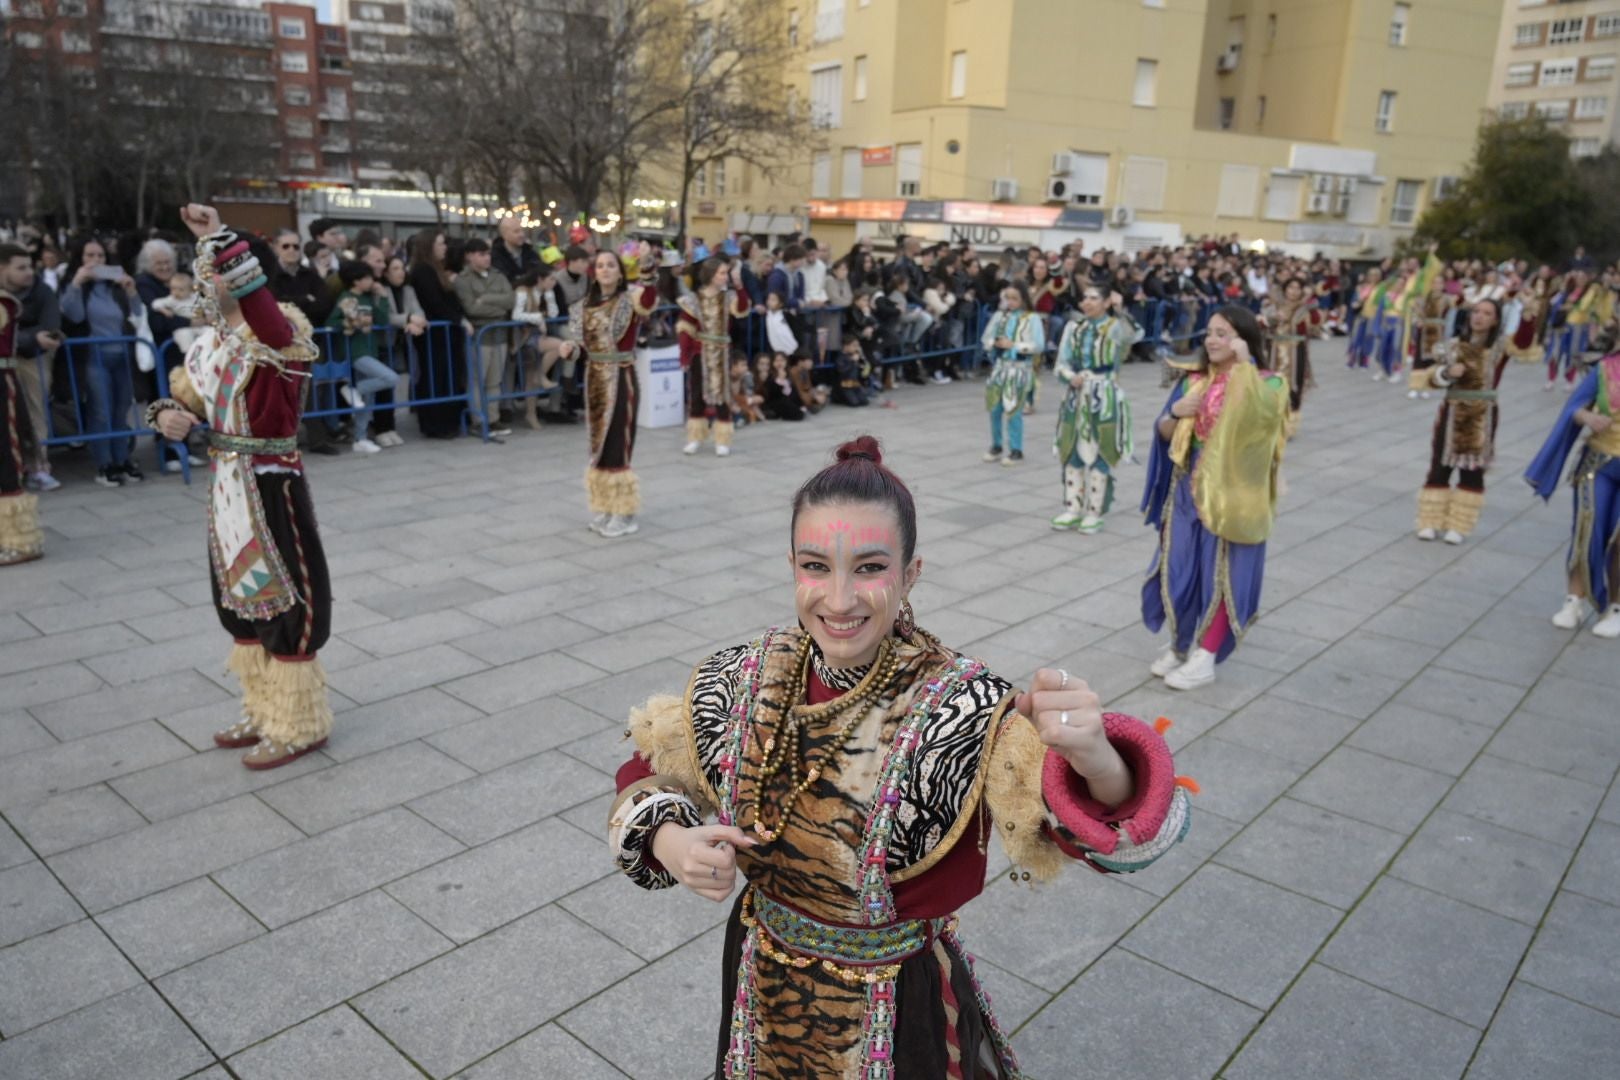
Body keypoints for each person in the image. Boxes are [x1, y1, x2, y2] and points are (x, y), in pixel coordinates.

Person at [607, 435, 1189, 1079]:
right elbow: (648, 765)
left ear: (911, 573)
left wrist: (1096, 757)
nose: (838, 598)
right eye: (815, 566)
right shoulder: (743, 674)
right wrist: (670, 841)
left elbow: (1100, 833)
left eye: (869, 567)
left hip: (898, 1008)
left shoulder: (963, 707)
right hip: (756, 985)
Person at [146, 205, 333, 770]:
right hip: (226, 487)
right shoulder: (208, 345)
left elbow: (270, 327)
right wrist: (164, 418)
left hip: (272, 482)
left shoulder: (283, 329)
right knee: (239, 599)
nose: (207, 280)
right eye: (204, 270)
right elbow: (180, 403)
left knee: (288, 597)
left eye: (218, 269)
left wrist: (220, 237)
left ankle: (299, 722)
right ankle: (261, 704)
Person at [1142, 306, 1288, 690]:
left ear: (1242, 338)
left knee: (1221, 576)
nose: (1211, 340)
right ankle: (1181, 644)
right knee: (1179, 571)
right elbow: (1163, 432)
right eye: (1209, 332)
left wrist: (1244, 366)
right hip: (1187, 493)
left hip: (1232, 498)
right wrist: (1175, 411)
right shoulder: (1194, 381)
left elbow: (1260, 422)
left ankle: (1205, 656)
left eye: (1223, 333)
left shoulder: (1269, 384)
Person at [559, 251, 657, 538]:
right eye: (599, 265)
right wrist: (569, 349)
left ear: (620, 271)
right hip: (594, 380)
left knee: (617, 444)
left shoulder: (631, 301)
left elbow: (650, 298)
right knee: (598, 447)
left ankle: (625, 513)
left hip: (621, 377)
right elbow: (581, 346)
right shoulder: (582, 307)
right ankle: (605, 505)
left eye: (610, 265)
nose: (604, 270)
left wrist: (648, 265)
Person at [1526, 350, 1620, 637]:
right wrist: (1588, 417)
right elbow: (1574, 407)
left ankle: (1615, 607)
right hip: (1599, 463)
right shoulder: (1605, 369)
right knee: (1586, 528)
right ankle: (1573, 601)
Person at [1415, 299, 1507, 545]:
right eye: (1476, 311)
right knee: (1439, 465)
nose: (1479, 317)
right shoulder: (1451, 347)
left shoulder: (1499, 348)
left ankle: (1459, 525)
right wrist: (1446, 373)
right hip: (1452, 411)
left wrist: (1529, 316)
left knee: (1473, 471)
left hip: (1482, 414)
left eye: (1487, 313)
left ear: (1495, 320)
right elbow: (1431, 379)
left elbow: (1526, 342)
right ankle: (1430, 521)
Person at [60, 237, 149, 487]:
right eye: (90, 256)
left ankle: (122, 459)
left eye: (100, 256)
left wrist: (131, 291)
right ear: (80, 258)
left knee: (121, 409)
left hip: (123, 355)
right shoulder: (75, 285)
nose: (96, 261)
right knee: (101, 410)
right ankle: (104, 464)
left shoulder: (116, 286)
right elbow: (73, 314)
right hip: (93, 356)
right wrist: (77, 283)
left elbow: (138, 315)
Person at [1052, 286, 1138, 532]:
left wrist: (1121, 311)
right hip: (1076, 396)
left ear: (1106, 301)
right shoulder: (1073, 328)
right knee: (1071, 447)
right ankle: (1072, 507)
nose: (1087, 302)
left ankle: (1094, 511)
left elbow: (1134, 335)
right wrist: (1070, 376)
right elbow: (1061, 362)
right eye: (1084, 297)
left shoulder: (1115, 327)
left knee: (1102, 448)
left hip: (1105, 395)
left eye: (1094, 298)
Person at [678, 257, 750, 457]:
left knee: (723, 395)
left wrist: (739, 285)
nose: (725, 276)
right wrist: (684, 355)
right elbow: (685, 329)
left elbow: (743, 309)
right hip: (699, 352)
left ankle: (722, 438)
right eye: (722, 273)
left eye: (726, 273)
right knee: (696, 393)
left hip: (722, 351)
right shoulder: (694, 299)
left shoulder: (728, 298)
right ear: (710, 275)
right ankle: (695, 437)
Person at [4, 245, 62, 492]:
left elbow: (51, 328)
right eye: (21, 267)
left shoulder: (42, 291)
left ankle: (38, 467)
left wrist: (31, 341)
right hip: (7, 359)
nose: (29, 272)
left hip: (30, 360)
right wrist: (31, 337)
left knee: (33, 413)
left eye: (30, 266)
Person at [1, 246, 45, 565]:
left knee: (6, 456)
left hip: (2, 384)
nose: (28, 273)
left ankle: (19, 540)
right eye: (21, 267)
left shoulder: (6, 303)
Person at [324, 261, 397, 454]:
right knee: (390, 377)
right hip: (355, 351)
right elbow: (332, 321)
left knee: (367, 399)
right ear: (356, 281)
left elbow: (382, 319)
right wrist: (352, 322)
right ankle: (352, 389)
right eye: (367, 278)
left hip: (370, 348)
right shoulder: (346, 298)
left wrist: (382, 298)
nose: (372, 281)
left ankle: (360, 437)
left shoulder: (367, 298)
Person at [406, 230, 470, 440]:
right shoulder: (423, 271)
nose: (445, 248)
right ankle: (436, 422)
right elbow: (435, 302)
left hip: (445, 333)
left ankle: (449, 419)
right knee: (436, 377)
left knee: (447, 376)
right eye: (441, 244)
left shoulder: (436, 269)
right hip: (434, 336)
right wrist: (458, 319)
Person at [455, 238, 517, 435]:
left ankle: (493, 418)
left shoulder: (498, 276)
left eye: (488, 254)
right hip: (479, 336)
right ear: (469, 256)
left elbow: (510, 300)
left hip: (499, 334)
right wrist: (496, 307)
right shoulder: (463, 280)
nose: (487, 258)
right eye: (482, 254)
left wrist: (486, 300)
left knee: (494, 381)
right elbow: (471, 308)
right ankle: (477, 419)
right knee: (476, 380)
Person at [981, 282, 1044, 466]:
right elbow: (986, 338)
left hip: (1020, 368)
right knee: (995, 409)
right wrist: (994, 343)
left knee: (1014, 410)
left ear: (1023, 299)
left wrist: (1015, 345)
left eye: (1014, 298)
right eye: (1007, 298)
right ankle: (996, 445)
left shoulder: (1032, 318)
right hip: (1000, 367)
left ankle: (1016, 449)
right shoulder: (999, 316)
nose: (1010, 302)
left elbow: (1038, 345)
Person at [511, 264, 568, 430]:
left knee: (531, 378)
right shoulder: (522, 291)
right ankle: (540, 377)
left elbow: (554, 314)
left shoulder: (544, 293)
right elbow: (516, 314)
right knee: (559, 345)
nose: (554, 282)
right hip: (524, 337)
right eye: (551, 279)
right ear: (540, 279)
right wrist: (537, 318)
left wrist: (550, 297)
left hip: (536, 336)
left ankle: (531, 412)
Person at [1261, 277, 1319, 435]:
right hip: (1274, 352)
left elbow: (1315, 327)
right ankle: (1269, 421)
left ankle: (1289, 425)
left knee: (1294, 385)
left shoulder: (1305, 309)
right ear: (1285, 289)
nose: (1294, 291)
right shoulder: (1272, 306)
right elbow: (1262, 324)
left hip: (1295, 352)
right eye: (1291, 287)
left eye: (1298, 288)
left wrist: (1311, 308)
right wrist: (1272, 319)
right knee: (1271, 384)